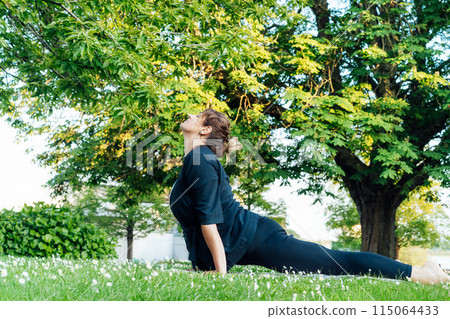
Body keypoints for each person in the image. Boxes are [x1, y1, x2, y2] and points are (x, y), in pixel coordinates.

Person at [169, 108, 450, 284]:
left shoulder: (201, 159)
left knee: (337, 261)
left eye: (198, 115)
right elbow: (201, 221)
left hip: (259, 237)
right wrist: (204, 267)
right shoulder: (196, 160)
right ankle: (421, 270)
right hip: (246, 238)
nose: (191, 115)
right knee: (335, 261)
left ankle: (420, 273)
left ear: (205, 130)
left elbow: (210, 219)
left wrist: (220, 273)